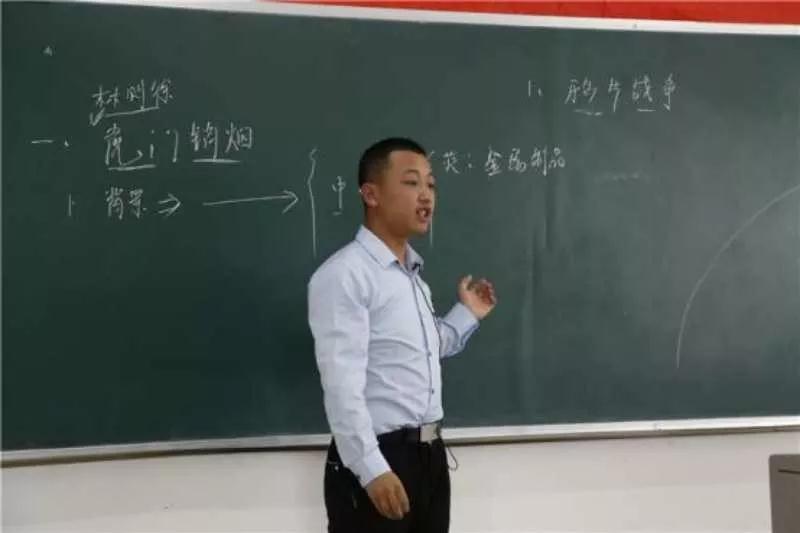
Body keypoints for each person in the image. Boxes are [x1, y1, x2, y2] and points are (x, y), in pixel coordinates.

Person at [308, 137, 497, 532]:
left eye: (431, 184)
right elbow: (341, 384)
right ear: (371, 194)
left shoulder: (412, 279)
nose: (426, 195)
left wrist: (468, 313)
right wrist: (371, 467)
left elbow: (425, 348)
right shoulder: (345, 275)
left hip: (429, 457)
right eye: (412, 182)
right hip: (380, 457)